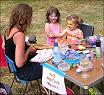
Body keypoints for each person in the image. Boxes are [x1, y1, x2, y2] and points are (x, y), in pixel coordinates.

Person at [4, 4, 42, 81]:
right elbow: (19, 63)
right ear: (26, 18)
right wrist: (29, 50)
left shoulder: (8, 29)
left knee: (41, 53)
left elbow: (5, 46)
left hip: (17, 70)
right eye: (31, 16)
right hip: (24, 72)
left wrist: (24, 46)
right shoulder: (19, 35)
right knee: (51, 67)